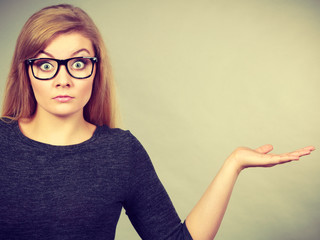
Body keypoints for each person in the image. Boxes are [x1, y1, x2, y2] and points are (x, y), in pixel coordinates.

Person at [0, 4, 314, 240]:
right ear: (26, 72)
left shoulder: (121, 152)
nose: (63, 79)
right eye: (45, 64)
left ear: (96, 71)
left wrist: (233, 165)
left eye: (78, 62)